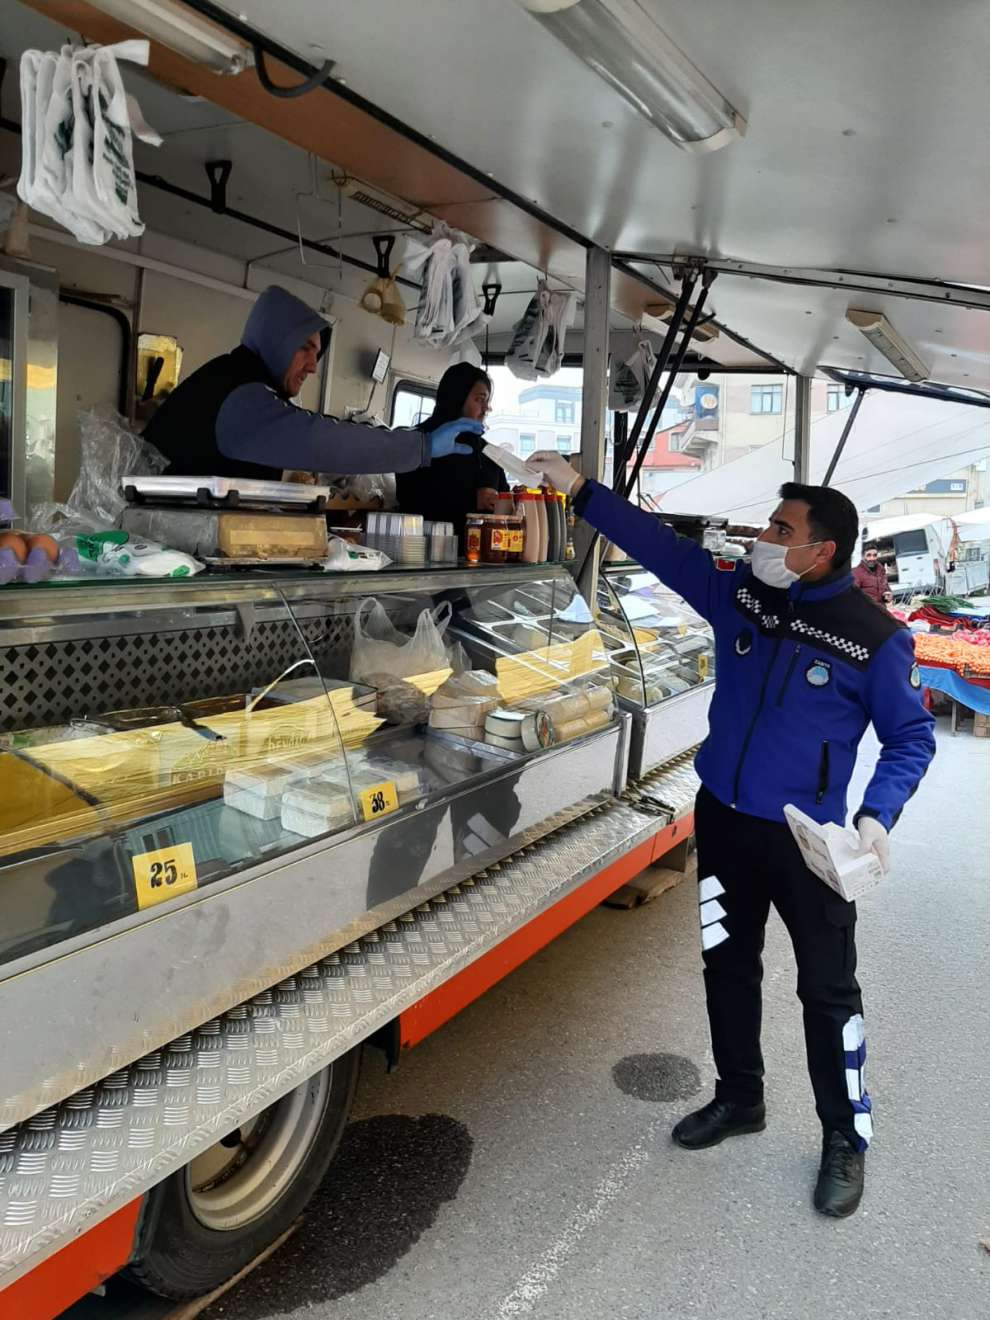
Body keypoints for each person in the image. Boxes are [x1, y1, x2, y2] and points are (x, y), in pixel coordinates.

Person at [528, 451, 936, 1219]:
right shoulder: (744, 596)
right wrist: (580, 491)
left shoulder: (874, 637)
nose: (764, 539)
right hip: (722, 822)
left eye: (781, 529)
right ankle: (739, 1097)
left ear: (823, 550)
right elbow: (661, 549)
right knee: (726, 966)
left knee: (828, 992)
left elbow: (912, 738)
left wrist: (878, 814)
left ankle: (846, 1138)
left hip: (809, 843)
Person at [143, 286, 480, 479]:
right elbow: (325, 441)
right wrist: (422, 447)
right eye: (304, 348)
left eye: (316, 353)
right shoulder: (241, 397)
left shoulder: (237, 380)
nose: (312, 366)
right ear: (275, 340)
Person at [395, 364, 508, 542]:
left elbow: (505, 499)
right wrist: (473, 500)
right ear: (457, 398)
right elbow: (409, 497)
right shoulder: (419, 441)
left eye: (487, 401)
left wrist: (506, 502)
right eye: (479, 400)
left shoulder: (487, 451)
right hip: (424, 551)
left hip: (481, 556)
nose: (487, 408)